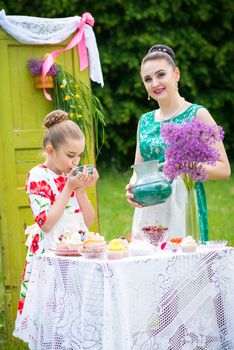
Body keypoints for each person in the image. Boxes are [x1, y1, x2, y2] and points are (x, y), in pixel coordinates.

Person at [126, 44, 231, 241]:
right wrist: (132, 188)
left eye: (160, 74)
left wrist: (187, 166)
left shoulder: (198, 115)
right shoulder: (145, 121)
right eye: (147, 79)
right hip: (150, 207)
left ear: (176, 74)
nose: (155, 83)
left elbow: (224, 169)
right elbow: (138, 170)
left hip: (184, 202)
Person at [14, 109, 99, 326]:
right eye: (70, 155)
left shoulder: (68, 177)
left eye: (79, 155)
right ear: (50, 150)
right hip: (51, 253)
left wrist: (80, 191)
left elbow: (88, 221)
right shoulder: (38, 176)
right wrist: (68, 187)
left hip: (75, 252)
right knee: (52, 314)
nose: (75, 161)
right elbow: (46, 222)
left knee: (75, 312)